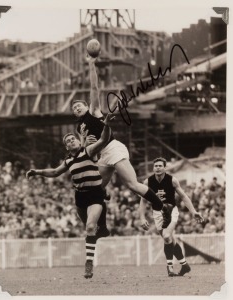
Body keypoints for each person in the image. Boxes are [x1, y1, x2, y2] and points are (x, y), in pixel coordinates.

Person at [71, 54, 173, 228]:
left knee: (133, 185)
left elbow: (94, 87)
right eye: (73, 108)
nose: (76, 107)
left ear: (87, 106)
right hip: (103, 156)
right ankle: (103, 195)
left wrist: (91, 64)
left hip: (113, 149)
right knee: (93, 189)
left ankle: (163, 207)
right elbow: (85, 149)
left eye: (79, 105)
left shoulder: (93, 111)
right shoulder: (80, 128)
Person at [26, 114, 114, 279]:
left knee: (90, 227)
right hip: (80, 197)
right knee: (90, 230)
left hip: (95, 194)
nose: (71, 141)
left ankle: (89, 263)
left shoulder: (88, 151)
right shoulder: (68, 162)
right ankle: (102, 227)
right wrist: (36, 172)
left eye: (72, 139)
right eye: (67, 141)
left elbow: (103, 140)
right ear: (66, 147)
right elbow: (54, 172)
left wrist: (107, 125)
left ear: (79, 141)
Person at [139, 157, 204, 277]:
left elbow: (184, 196)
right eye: (156, 166)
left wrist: (193, 211)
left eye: (160, 166)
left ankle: (169, 267)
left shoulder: (172, 180)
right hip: (157, 213)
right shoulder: (148, 182)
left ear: (165, 167)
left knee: (167, 236)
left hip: (171, 211)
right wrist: (142, 217)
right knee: (170, 240)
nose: (157, 168)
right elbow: (143, 201)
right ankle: (184, 265)